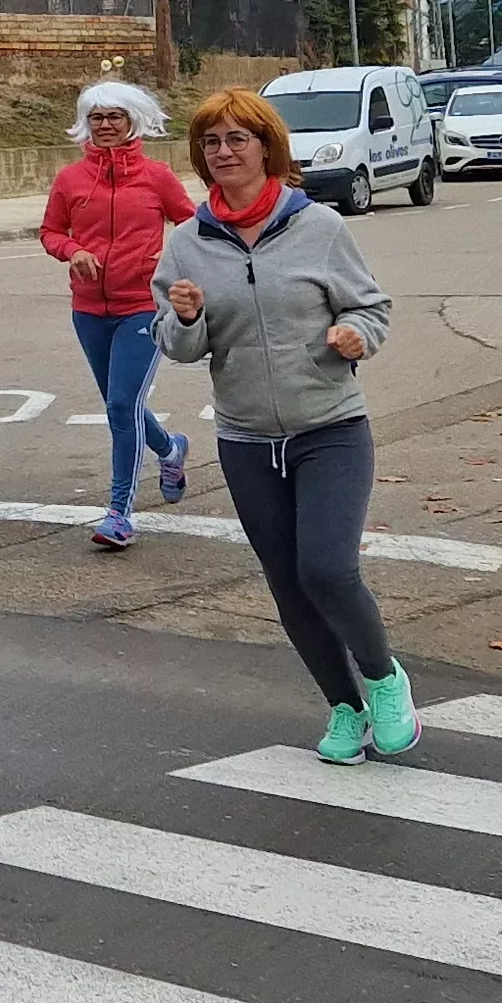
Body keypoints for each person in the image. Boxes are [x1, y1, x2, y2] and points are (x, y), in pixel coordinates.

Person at [156, 88, 414, 766]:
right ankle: (343, 706)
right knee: (287, 581)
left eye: (239, 138)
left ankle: (385, 681)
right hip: (245, 439)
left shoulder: (320, 228)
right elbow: (180, 351)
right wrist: (184, 319)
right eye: (212, 142)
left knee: (327, 569)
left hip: (329, 426)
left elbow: (372, 309)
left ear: (268, 146)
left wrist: (355, 335)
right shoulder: (187, 245)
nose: (225, 152)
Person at [41, 80, 196, 548]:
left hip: (142, 308)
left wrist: (165, 266)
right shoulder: (70, 180)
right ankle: (170, 449)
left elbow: (190, 224)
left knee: (120, 407)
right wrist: (72, 250)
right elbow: (50, 231)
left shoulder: (156, 176)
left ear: (133, 122)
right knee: (121, 402)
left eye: (115, 117)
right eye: (97, 118)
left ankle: (119, 512)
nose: (106, 126)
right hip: (88, 310)